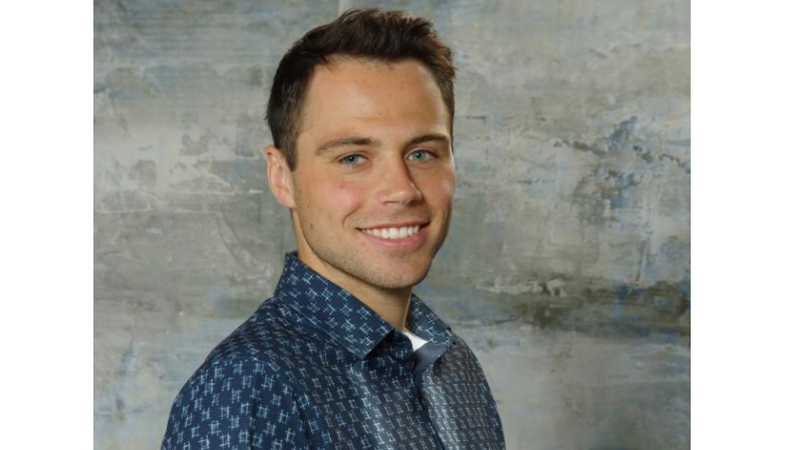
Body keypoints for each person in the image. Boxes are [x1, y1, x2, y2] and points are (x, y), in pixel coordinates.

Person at [160, 8, 505, 449]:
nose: (401, 190)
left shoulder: (453, 364)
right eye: (353, 158)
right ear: (282, 177)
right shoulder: (249, 388)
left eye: (422, 153)